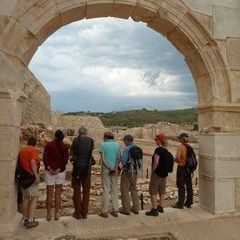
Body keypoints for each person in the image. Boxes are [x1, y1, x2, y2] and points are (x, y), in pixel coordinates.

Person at [43, 130, 69, 221]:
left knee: (49, 194)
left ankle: (48, 214)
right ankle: (57, 213)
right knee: (58, 194)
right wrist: (59, 169)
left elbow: (45, 158)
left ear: (55, 136)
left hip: (50, 172)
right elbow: (65, 160)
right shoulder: (65, 147)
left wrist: (49, 168)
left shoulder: (49, 145)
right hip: (60, 172)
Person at [146, 133, 174, 216]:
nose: (155, 141)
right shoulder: (166, 150)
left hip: (157, 173)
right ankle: (161, 206)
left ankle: (154, 209)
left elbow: (156, 162)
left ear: (159, 140)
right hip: (164, 173)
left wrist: (152, 171)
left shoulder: (158, 150)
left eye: (156, 139)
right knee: (162, 190)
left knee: (153, 190)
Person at [71, 126, 94, 220]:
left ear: (79, 132)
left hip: (77, 168)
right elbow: (90, 153)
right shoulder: (91, 141)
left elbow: (72, 154)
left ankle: (78, 213)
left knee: (76, 191)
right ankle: (85, 212)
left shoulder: (75, 140)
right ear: (86, 132)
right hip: (87, 169)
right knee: (86, 191)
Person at [18, 136, 40, 229]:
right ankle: (30, 220)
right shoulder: (33, 150)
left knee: (26, 198)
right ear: (35, 143)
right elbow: (32, 162)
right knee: (34, 197)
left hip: (23, 178)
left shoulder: (22, 150)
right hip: (30, 178)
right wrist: (36, 176)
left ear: (28, 142)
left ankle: (25, 218)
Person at [99, 132, 121, 218]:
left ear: (105, 137)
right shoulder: (117, 145)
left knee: (106, 189)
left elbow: (103, 159)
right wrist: (115, 168)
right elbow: (119, 157)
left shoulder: (103, 145)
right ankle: (115, 210)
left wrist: (109, 167)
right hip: (115, 169)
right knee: (114, 189)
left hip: (106, 169)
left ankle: (104, 211)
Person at [120, 134, 142, 215]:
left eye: (124, 141)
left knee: (124, 189)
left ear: (127, 140)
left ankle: (126, 209)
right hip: (135, 171)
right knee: (133, 189)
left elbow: (124, 162)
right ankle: (136, 208)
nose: (124, 142)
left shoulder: (127, 149)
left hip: (127, 171)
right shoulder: (138, 148)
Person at [172, 133, 193, 209]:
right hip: (188, 169)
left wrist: (175, 160)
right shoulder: (189, 146)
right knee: (189, 185)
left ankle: (180, 204)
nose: (178, 139)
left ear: (182, 139)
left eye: (179, 138)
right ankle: (189, 203)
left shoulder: (180, 146)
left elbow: (177, 157)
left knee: (181, 186)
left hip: (181, 167)